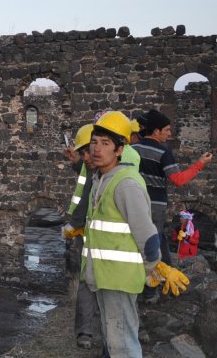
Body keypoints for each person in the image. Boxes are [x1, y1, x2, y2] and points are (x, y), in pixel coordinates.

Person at [83, 111, 188, 357]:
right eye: (94, 142)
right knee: (113, 340)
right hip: (104, 275)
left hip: (119, 278)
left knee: (123, 346)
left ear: (120, 150)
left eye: (106, 144)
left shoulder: (125, 184)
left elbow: (149, 237)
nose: (97, 149)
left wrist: (152, 267)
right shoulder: (102, 178)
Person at [133, 109, 211, 301]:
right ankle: (150, 293)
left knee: (153, 241)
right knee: (153, 246)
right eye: (167, 130)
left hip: (136, 202)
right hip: (156, 205)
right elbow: (178, 179)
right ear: (156, 131)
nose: (170, 133)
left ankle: (164, 274)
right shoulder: (163, 151)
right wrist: (200, 163)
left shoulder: (132, 148)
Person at [61, 124, 97, 349]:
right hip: (90, 237)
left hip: (109, 244)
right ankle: (86, 334)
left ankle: (89, 334)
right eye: (82, 153)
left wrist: (72, 224)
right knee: (86, 283)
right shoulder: (92, 168)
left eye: (87, 152)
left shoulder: (120, 178)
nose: (85, 157)